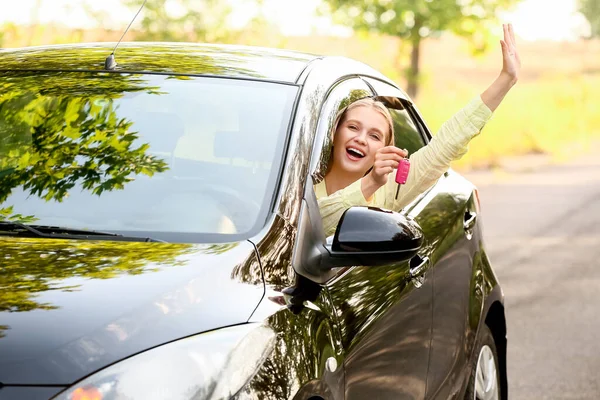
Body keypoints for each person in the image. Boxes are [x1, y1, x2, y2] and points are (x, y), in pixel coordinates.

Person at [315, 24, 521, 237]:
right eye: (353, 127)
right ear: (333, 134)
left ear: (384, 150)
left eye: (374, 136)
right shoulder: (295, 181)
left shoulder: (390, 188)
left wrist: (506, 79)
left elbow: (446, 145)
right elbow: (314, 226)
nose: (361, 139)